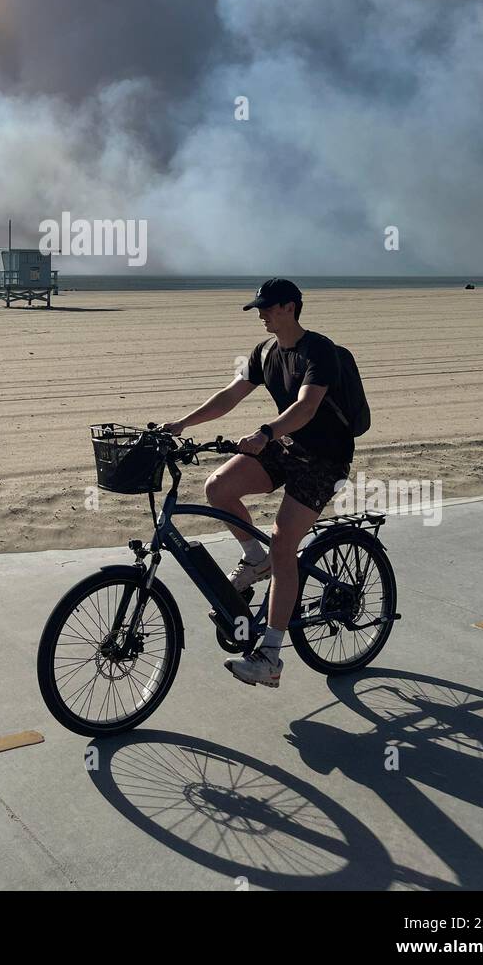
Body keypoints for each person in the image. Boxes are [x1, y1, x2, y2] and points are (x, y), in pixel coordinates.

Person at [161, 278, 352, 689]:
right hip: (285, 446)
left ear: (289, 307)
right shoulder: (265, 352)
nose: (261, 314)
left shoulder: (318, 349)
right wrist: (181, 424)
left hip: (324, 459)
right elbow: (230, 396)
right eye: (259, 308)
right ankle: (254, 558)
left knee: (284, 544)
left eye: (266, 307)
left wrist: (265, 433)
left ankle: (270, 657)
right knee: (218, 488)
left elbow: (306, 407)